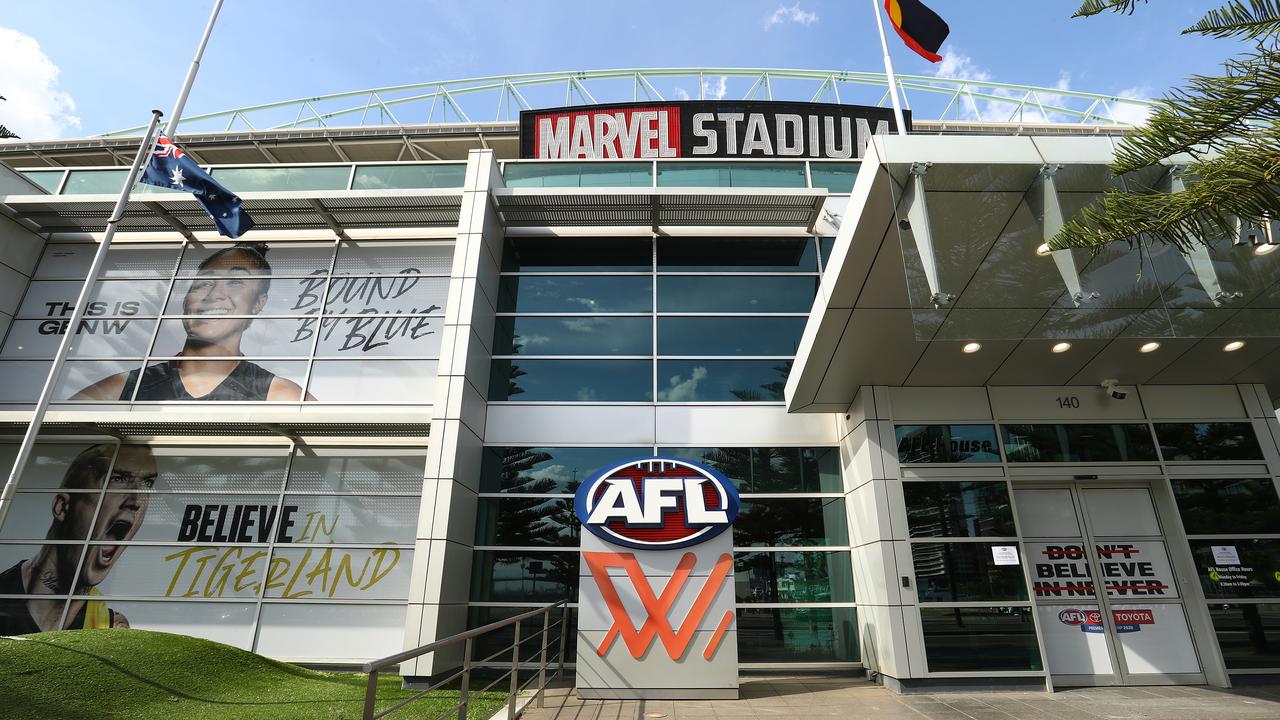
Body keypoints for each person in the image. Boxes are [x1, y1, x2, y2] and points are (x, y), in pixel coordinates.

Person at [72, 242, 314, 401]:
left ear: (259, 303)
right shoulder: (123, 387)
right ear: (187, 298)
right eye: (204, 283)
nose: (214, 294)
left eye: (236, 282)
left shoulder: (278, 395)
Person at [0, 444, 156, 634]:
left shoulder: (105, 625)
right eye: (116, 479)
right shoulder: (5, 593)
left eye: (147, 484)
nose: (136, 501)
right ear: (62, 507)